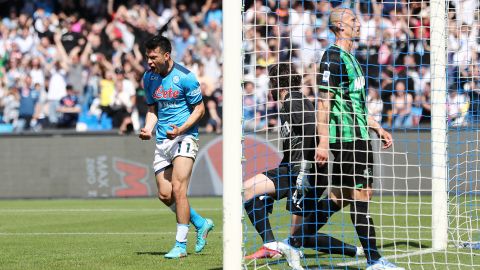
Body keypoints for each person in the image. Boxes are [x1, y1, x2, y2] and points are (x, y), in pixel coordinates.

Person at [291, 8, 404, 270]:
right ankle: (375, 261)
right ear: (340, 26)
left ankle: (294, 241)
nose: (359, 23)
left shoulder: (351, 58)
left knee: (340, 196)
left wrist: (376, 127)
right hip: (349, 139)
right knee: (362, 195)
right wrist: (322, 142)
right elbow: (324, 103)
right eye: (353, 20)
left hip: (360, 135)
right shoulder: (331, 57)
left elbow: (355, 105)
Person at [243, 63, 363, 270]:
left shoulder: (294, 102)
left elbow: (313, 129)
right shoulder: (292, 102)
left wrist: (305, 171)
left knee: (298, 237)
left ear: (275, 84)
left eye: (271, 83)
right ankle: (272, 244)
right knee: (250, 189)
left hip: (306, 174)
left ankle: (355, 251)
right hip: (292, 169)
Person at [138, 35, 214, 259]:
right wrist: (148, 129)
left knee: (180, 189)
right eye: (147, 57)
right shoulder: (149, 78)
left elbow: (199, 110)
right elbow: (153, 109)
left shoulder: (186, 77)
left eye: (153, 57)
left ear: (166, 55)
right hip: (163, 139)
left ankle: (180, 245)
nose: (149, 62)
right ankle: (201, 222)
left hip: (185, 137)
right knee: (165, 194)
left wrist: (181, 129)